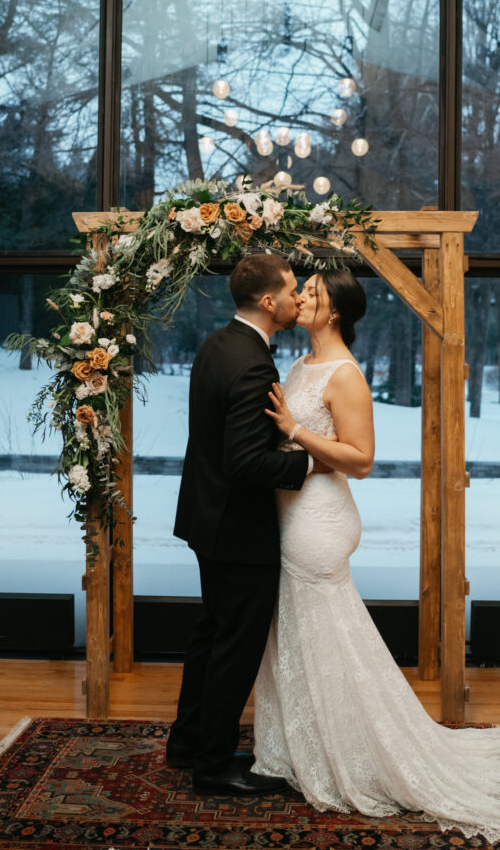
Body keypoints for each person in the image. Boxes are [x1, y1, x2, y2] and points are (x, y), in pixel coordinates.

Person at [252, 269, 500, 850]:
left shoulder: (346, 374)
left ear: (333, 312)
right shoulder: (301, 365)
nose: (300, 297)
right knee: (298, 632)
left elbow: (360, 460)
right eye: (300, 288)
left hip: (318, 517)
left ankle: (354, 753)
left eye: (311, 292)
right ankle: (301, 746)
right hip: (288, 508)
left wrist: (295, 431)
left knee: (324, 632)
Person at [167, 252, 331, 797]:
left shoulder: (217, 345)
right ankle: (212, 767)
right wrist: (309, 462)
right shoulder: (254, 362)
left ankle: (188, 743)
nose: (296, 300)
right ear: (268, 301)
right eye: (290, 291)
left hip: (204, 517)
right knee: (234, 647)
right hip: (237, 529)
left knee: (210, 634)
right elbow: (245, 463)